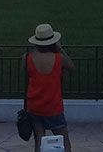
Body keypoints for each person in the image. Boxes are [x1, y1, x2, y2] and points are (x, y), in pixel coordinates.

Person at [21, 23, 74, 151]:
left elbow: (25, 80)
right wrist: (60, 49)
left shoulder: (27, 58)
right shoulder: (59, 58)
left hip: (34, 105)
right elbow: (72, 68)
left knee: (39, 139)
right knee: (64, 140)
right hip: (53, 106)